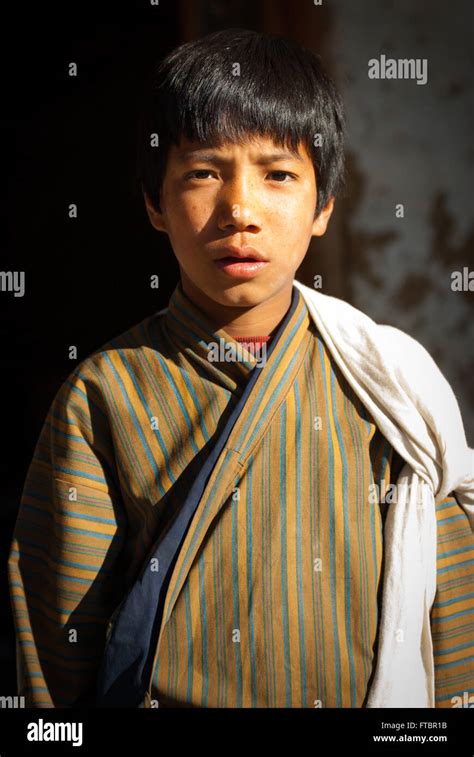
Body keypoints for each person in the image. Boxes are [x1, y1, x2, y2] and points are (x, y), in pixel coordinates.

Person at [8, 28, 473, 709]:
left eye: (278, 174)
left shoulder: (389, 385)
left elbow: (454, 618)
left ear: (324, 206)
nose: (239, 211)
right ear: (152, 201)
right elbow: (55, 648)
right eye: (202, 172)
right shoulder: (105, 394)